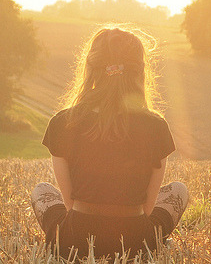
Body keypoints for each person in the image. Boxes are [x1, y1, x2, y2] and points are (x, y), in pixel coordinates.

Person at [30, 25, 189, 261]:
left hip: (75, 241)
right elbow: (147, 208)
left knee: (41, 190)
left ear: (91, 68)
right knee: (179, 190)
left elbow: (69, 202)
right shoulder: (156, 125)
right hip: (135, 243)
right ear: (139, 71)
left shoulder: (63, 122)